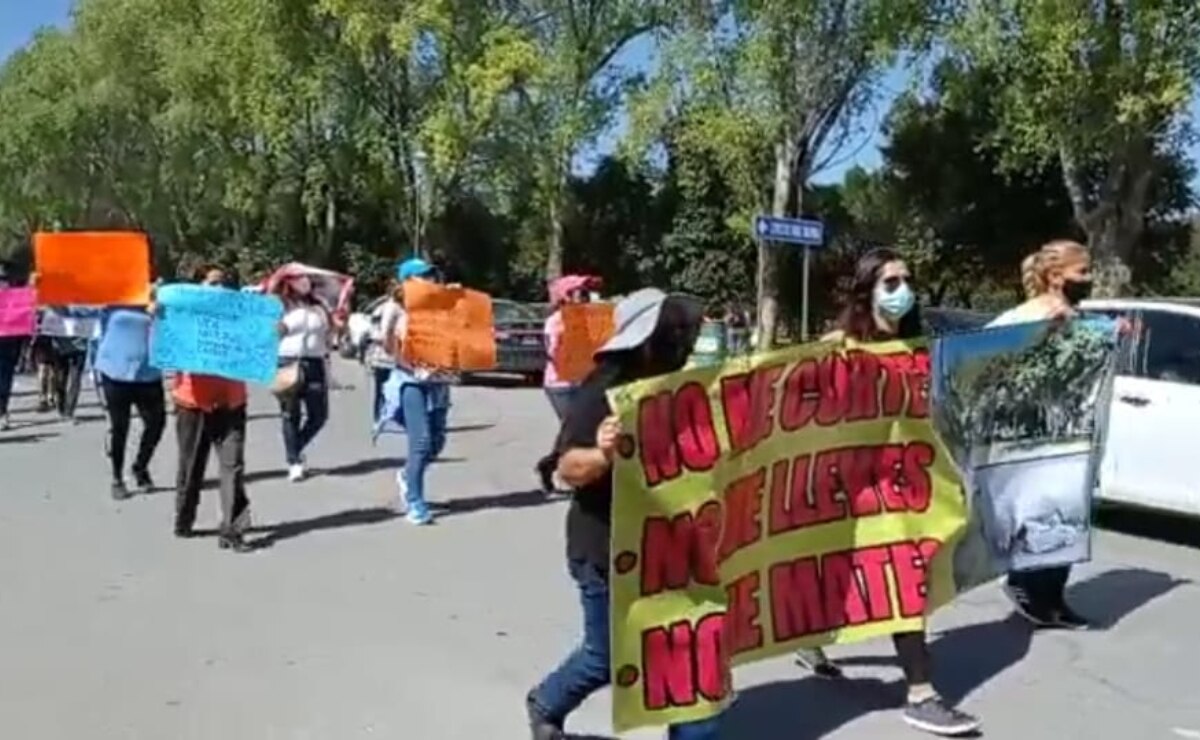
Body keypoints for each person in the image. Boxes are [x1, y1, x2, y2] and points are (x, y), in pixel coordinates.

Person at [793, 248, 981, 737]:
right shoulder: (840, 347)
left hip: (904, 488)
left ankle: (921, 692)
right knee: (841, 572)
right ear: (867, 291)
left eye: (907, 280)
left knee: (905, 577)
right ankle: (815, 642)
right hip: (851, 487)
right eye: (890, 282)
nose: (902, 290)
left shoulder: (919, 348)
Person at [527, 288, 722, 740]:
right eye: (676, 332)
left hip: (677, 551)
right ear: (647, 341)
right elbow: (568, 468)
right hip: (606, 551)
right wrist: (604, 452)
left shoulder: (686, 391)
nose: (686, 342)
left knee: (694, 654)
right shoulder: (601, 393)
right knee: (609, 655)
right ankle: (545, 703)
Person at [988, 239, 1094, 629]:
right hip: (1034, 432)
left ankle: (1054, 598)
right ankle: (1027, 586)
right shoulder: (1033, 314)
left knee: (1068, 513)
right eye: (1081, 272)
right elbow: (989, 352)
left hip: (1070, 428)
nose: (1089, 279)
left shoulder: (1073, 315)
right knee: (1046, 513)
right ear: (1055, 276)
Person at [172, 265, 252, 553]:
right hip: (193, 403)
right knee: (191, 467)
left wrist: (273, 332)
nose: (219, 288)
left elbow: (258, 344)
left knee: (233, 467)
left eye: (224, 283)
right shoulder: (183, 317)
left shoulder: (240, 316)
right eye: (213, 283)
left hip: (231, 401)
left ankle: (232, 528)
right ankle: (184, 517)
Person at [375, 257, 455, 526]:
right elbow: (387, 344)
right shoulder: (396, 307)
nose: (431, 279)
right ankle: (415, 501)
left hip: (439, 380)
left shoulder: (443, 305)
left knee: (437, 442)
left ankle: (408, 475)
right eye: (424, 275)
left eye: (432, 274)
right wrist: (406, 357)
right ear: (408, 280)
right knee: (420, 442)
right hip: (410, 380)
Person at [94, 300, 166, 499]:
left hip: (148, 374)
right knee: (119, 427)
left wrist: (160, 312)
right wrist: (44, 288)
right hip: (115, 373)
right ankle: (117, 479)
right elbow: (71, 309)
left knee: (156, 424)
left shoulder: (159, 298)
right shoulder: (110, 300)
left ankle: (140, 466)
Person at [534, 275, 598, 493]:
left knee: (577, 430)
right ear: (566, 296)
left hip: (584, 381)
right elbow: (553, 353)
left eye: (587, 293)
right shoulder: (555, 322)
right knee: (574, 430)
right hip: (560, 385)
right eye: (581, 292)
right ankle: (562, 470)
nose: (586, 297)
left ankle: (551, 465)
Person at [274, 273, 332, 482]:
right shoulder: (280, 306)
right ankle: (294, 462)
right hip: (287, 361)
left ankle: (295, 447)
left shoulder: (319, 308)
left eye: (307, 279)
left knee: (319, 415)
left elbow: (329, 335)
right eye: (299, 280)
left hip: (315, 363)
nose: (304, 283)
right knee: (291, 414)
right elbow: (272, 333)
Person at [0, 262, 25, 431]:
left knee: (4, 380)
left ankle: (2, 412)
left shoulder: (15, 296)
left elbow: (23, 316)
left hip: (8, 343)